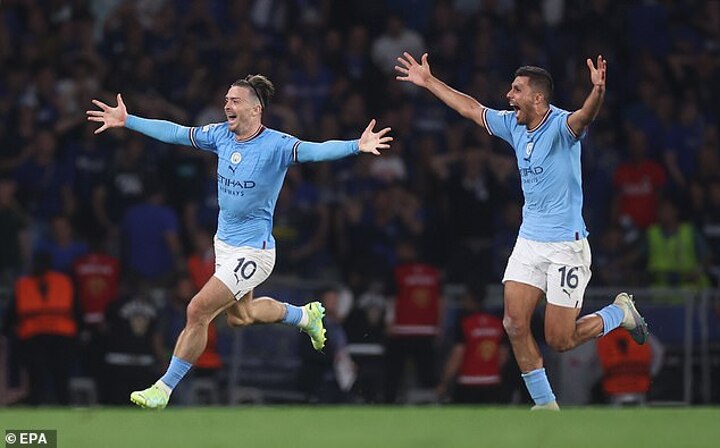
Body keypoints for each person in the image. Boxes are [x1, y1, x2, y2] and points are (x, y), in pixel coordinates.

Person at [86, 74, 392, 409]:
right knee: (240, 317)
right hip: (225, 245)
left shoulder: (276, 145)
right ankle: (304, 316)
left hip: (254, 252)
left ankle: (164, 388)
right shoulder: (220, 135)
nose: (227, 105)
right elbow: (176, 132)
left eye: (235, 101)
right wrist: (128, 120)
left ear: (255, 109)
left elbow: (316, 151)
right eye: (227, 100)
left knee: (197, 309)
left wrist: (356, 145)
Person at [395, 52, 648, 410]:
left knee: (559, 339)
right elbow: (471, 109)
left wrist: (597, 92)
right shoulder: (514, 125)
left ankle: (619, 313)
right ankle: (546, 406)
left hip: (566, 246)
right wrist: (428, 81)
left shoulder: (560, 127)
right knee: (514, 324)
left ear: (537, 98)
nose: (508, 95)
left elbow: (584, 116)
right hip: (529, 241)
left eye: (516, 90)